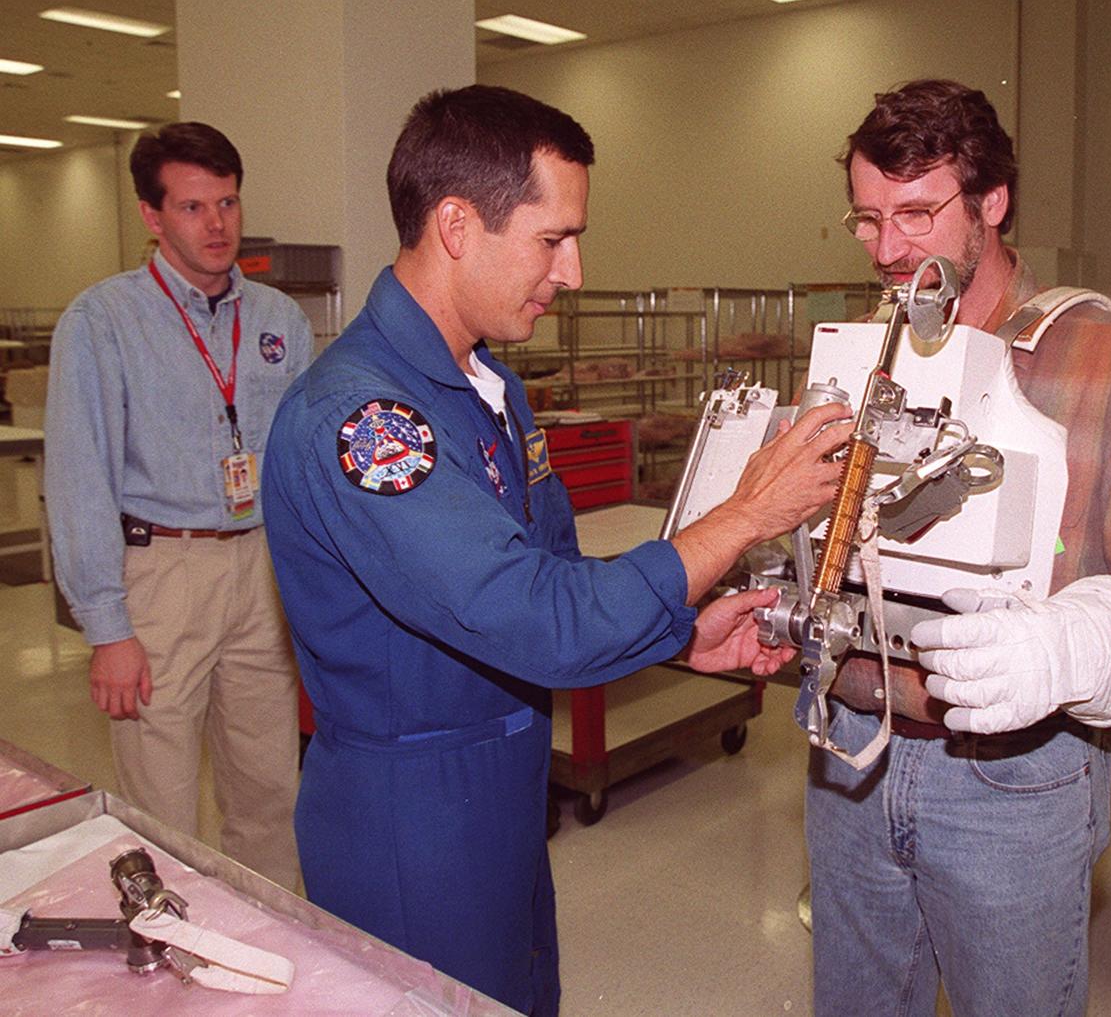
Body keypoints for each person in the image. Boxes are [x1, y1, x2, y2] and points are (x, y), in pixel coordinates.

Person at [261, 84, 852, 1016]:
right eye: (553, 239)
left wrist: (677, 635)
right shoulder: (365, 423)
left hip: (499, 793)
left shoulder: (487, 385)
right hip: (411, 821)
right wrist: (745, 513)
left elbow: (551, 578)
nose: (573, 272)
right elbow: (534, 618)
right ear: (457, 225)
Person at [805, 79, 1111, 1017]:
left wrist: (1069, 646)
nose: (887, 250)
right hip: (848, 748)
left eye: (917, 215)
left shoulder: (1108, 364)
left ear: (991, 204)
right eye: (867, 219)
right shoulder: (861, 360)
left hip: (1010, 783)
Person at [44, 122, 312, 890]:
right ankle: (165, 954)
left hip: (261, 571)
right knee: (159, 799)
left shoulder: (277, 322)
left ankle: (269, 936)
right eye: (194, 207)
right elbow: (78, 477)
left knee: (268, 786)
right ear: (152, 217)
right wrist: (107, 626)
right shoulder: (102, 323)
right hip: (161, 574)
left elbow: (297, 465)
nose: (218, 224)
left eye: (227, 202)